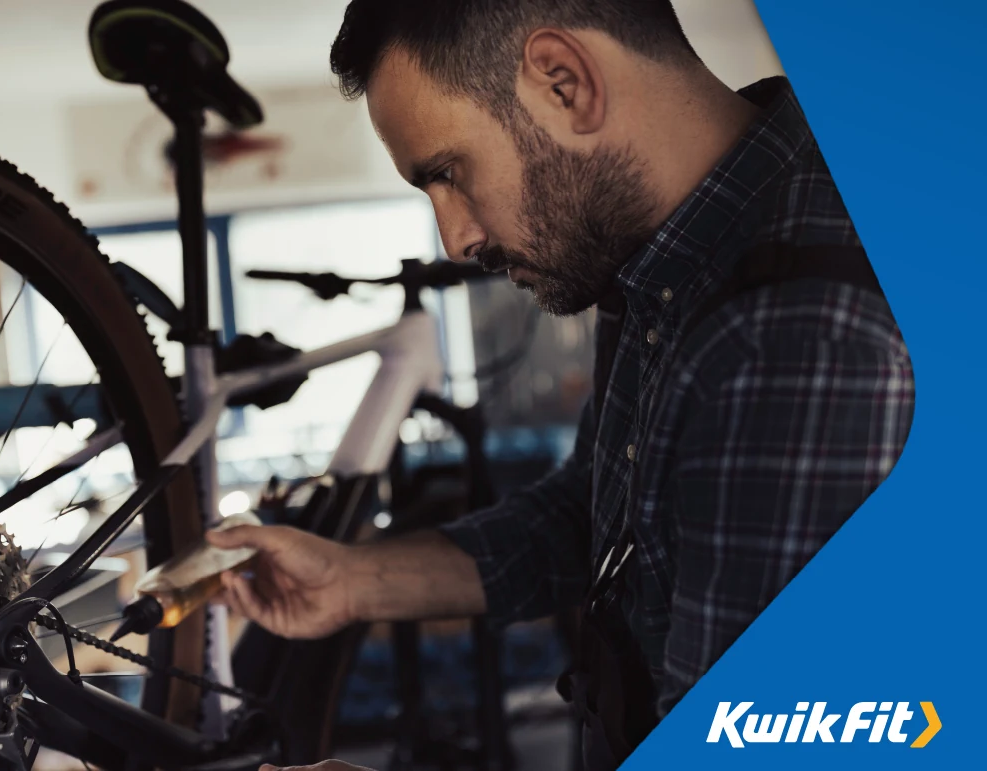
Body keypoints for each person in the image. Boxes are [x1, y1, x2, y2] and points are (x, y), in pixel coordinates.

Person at [210, 1, 915, 769]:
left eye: (448, 172)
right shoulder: (660, 263)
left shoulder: (798, 341)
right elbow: (598, 520)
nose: (456, 238)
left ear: (564, 82)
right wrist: (352, 581)